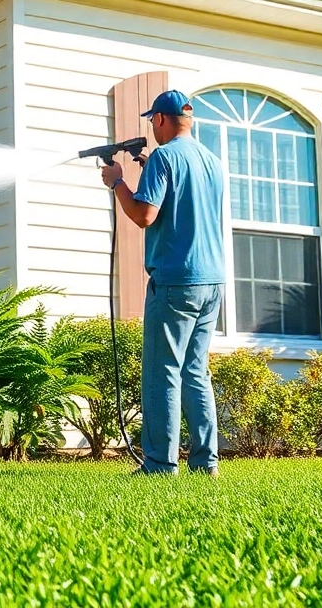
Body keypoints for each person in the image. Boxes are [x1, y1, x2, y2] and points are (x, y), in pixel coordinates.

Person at [100, 90, 224, 476]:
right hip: (212, 281)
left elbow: (143, 215)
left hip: (174, 281)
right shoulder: (212, 162)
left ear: (160, 120)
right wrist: (146, 167)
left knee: (162, 372)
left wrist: (117, 182)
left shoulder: (165, 158)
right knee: (195, 372)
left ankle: (158, 465)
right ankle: (206, 464)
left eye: (151, 120)